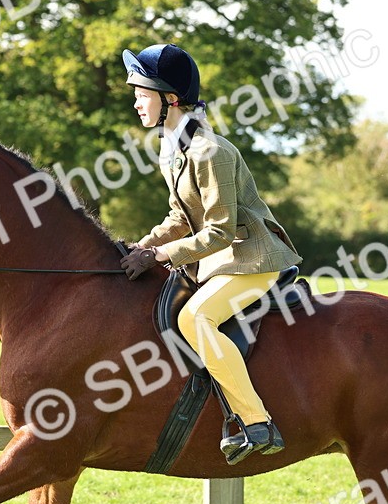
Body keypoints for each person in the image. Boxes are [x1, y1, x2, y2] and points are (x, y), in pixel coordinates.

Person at [118, 43, 302, 465]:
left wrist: (160, 256)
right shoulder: (174, 149)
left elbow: (219, 230)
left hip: (255, 258)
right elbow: (179, 219)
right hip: (222, 262)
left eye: (142, 94)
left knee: (195, 317)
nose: (135, 102)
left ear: (170, 99)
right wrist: (140, 247)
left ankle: (256, 423)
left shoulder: (210, 151)